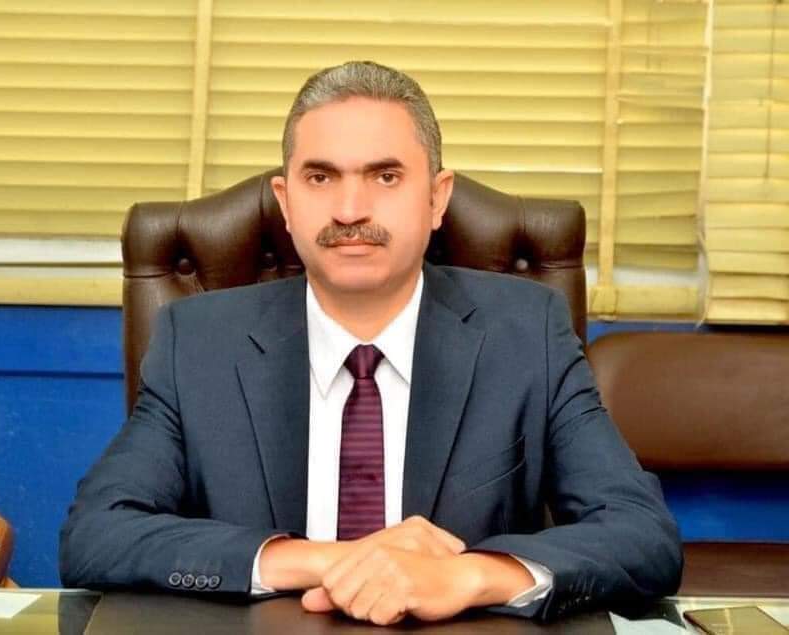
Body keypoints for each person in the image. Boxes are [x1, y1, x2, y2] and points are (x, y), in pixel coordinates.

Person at [60, 61, 682, 625]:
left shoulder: (526, 333)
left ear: (437, 198)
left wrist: (468, 575)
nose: (350, 209)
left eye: (385, 176)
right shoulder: (198, 342)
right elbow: (97, 534)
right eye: (320, 177)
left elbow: (642, 536)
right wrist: (330, 560)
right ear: (286, 202)